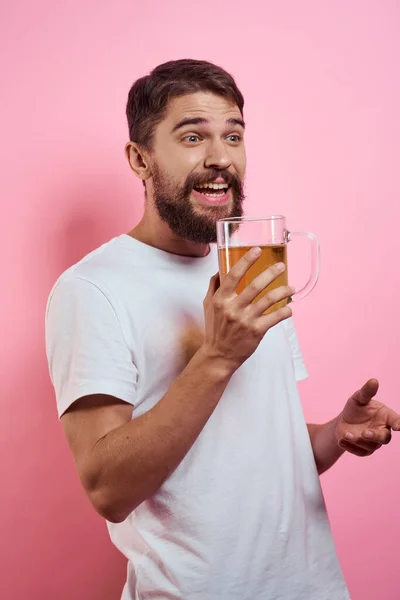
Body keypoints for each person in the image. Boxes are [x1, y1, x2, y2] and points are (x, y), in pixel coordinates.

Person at [45, 59, 400, 600]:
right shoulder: (92, 289)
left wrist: (335, 435)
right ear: (140, 159)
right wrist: (216, 357)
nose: (220, 158)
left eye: (233, 135)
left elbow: (261, 446)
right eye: (193, 136)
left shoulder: (251, 268)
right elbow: (107, 487)